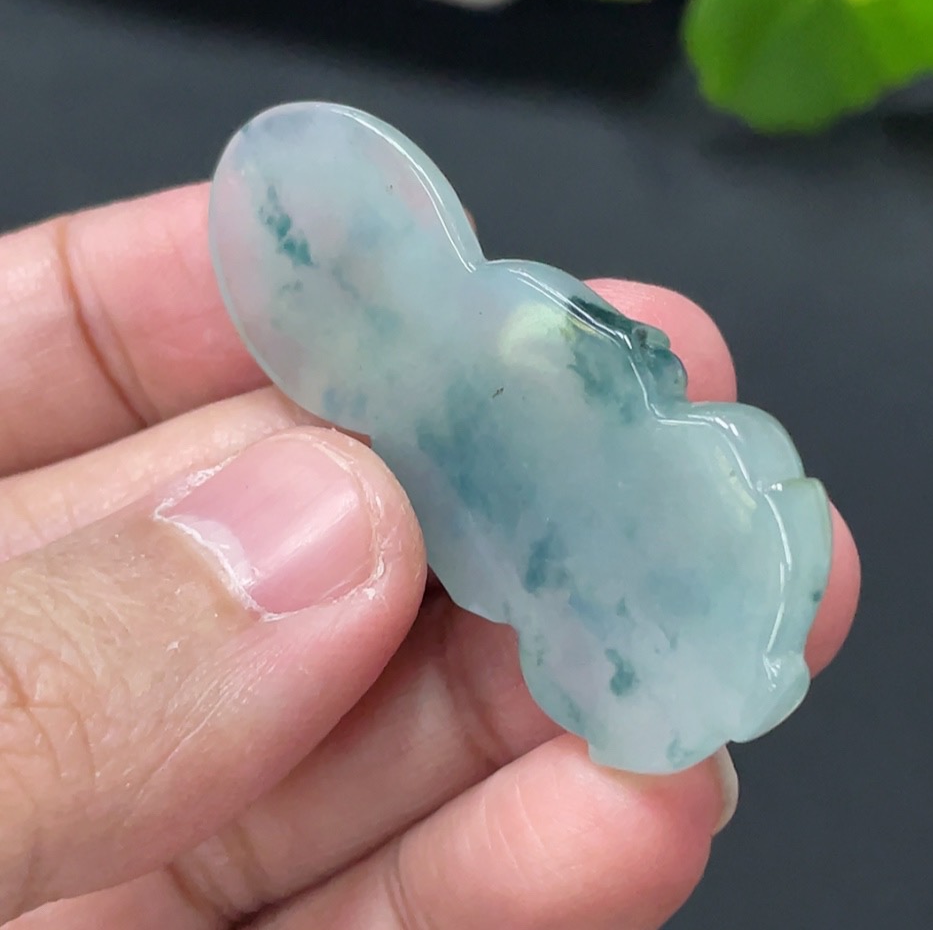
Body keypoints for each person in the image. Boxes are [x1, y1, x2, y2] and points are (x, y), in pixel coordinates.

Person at [0, 184, 860, 930]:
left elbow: (641, 386)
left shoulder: (515, 324)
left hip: (687, 552)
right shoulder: (445, 410)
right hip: (640, 603)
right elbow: (499, 563)